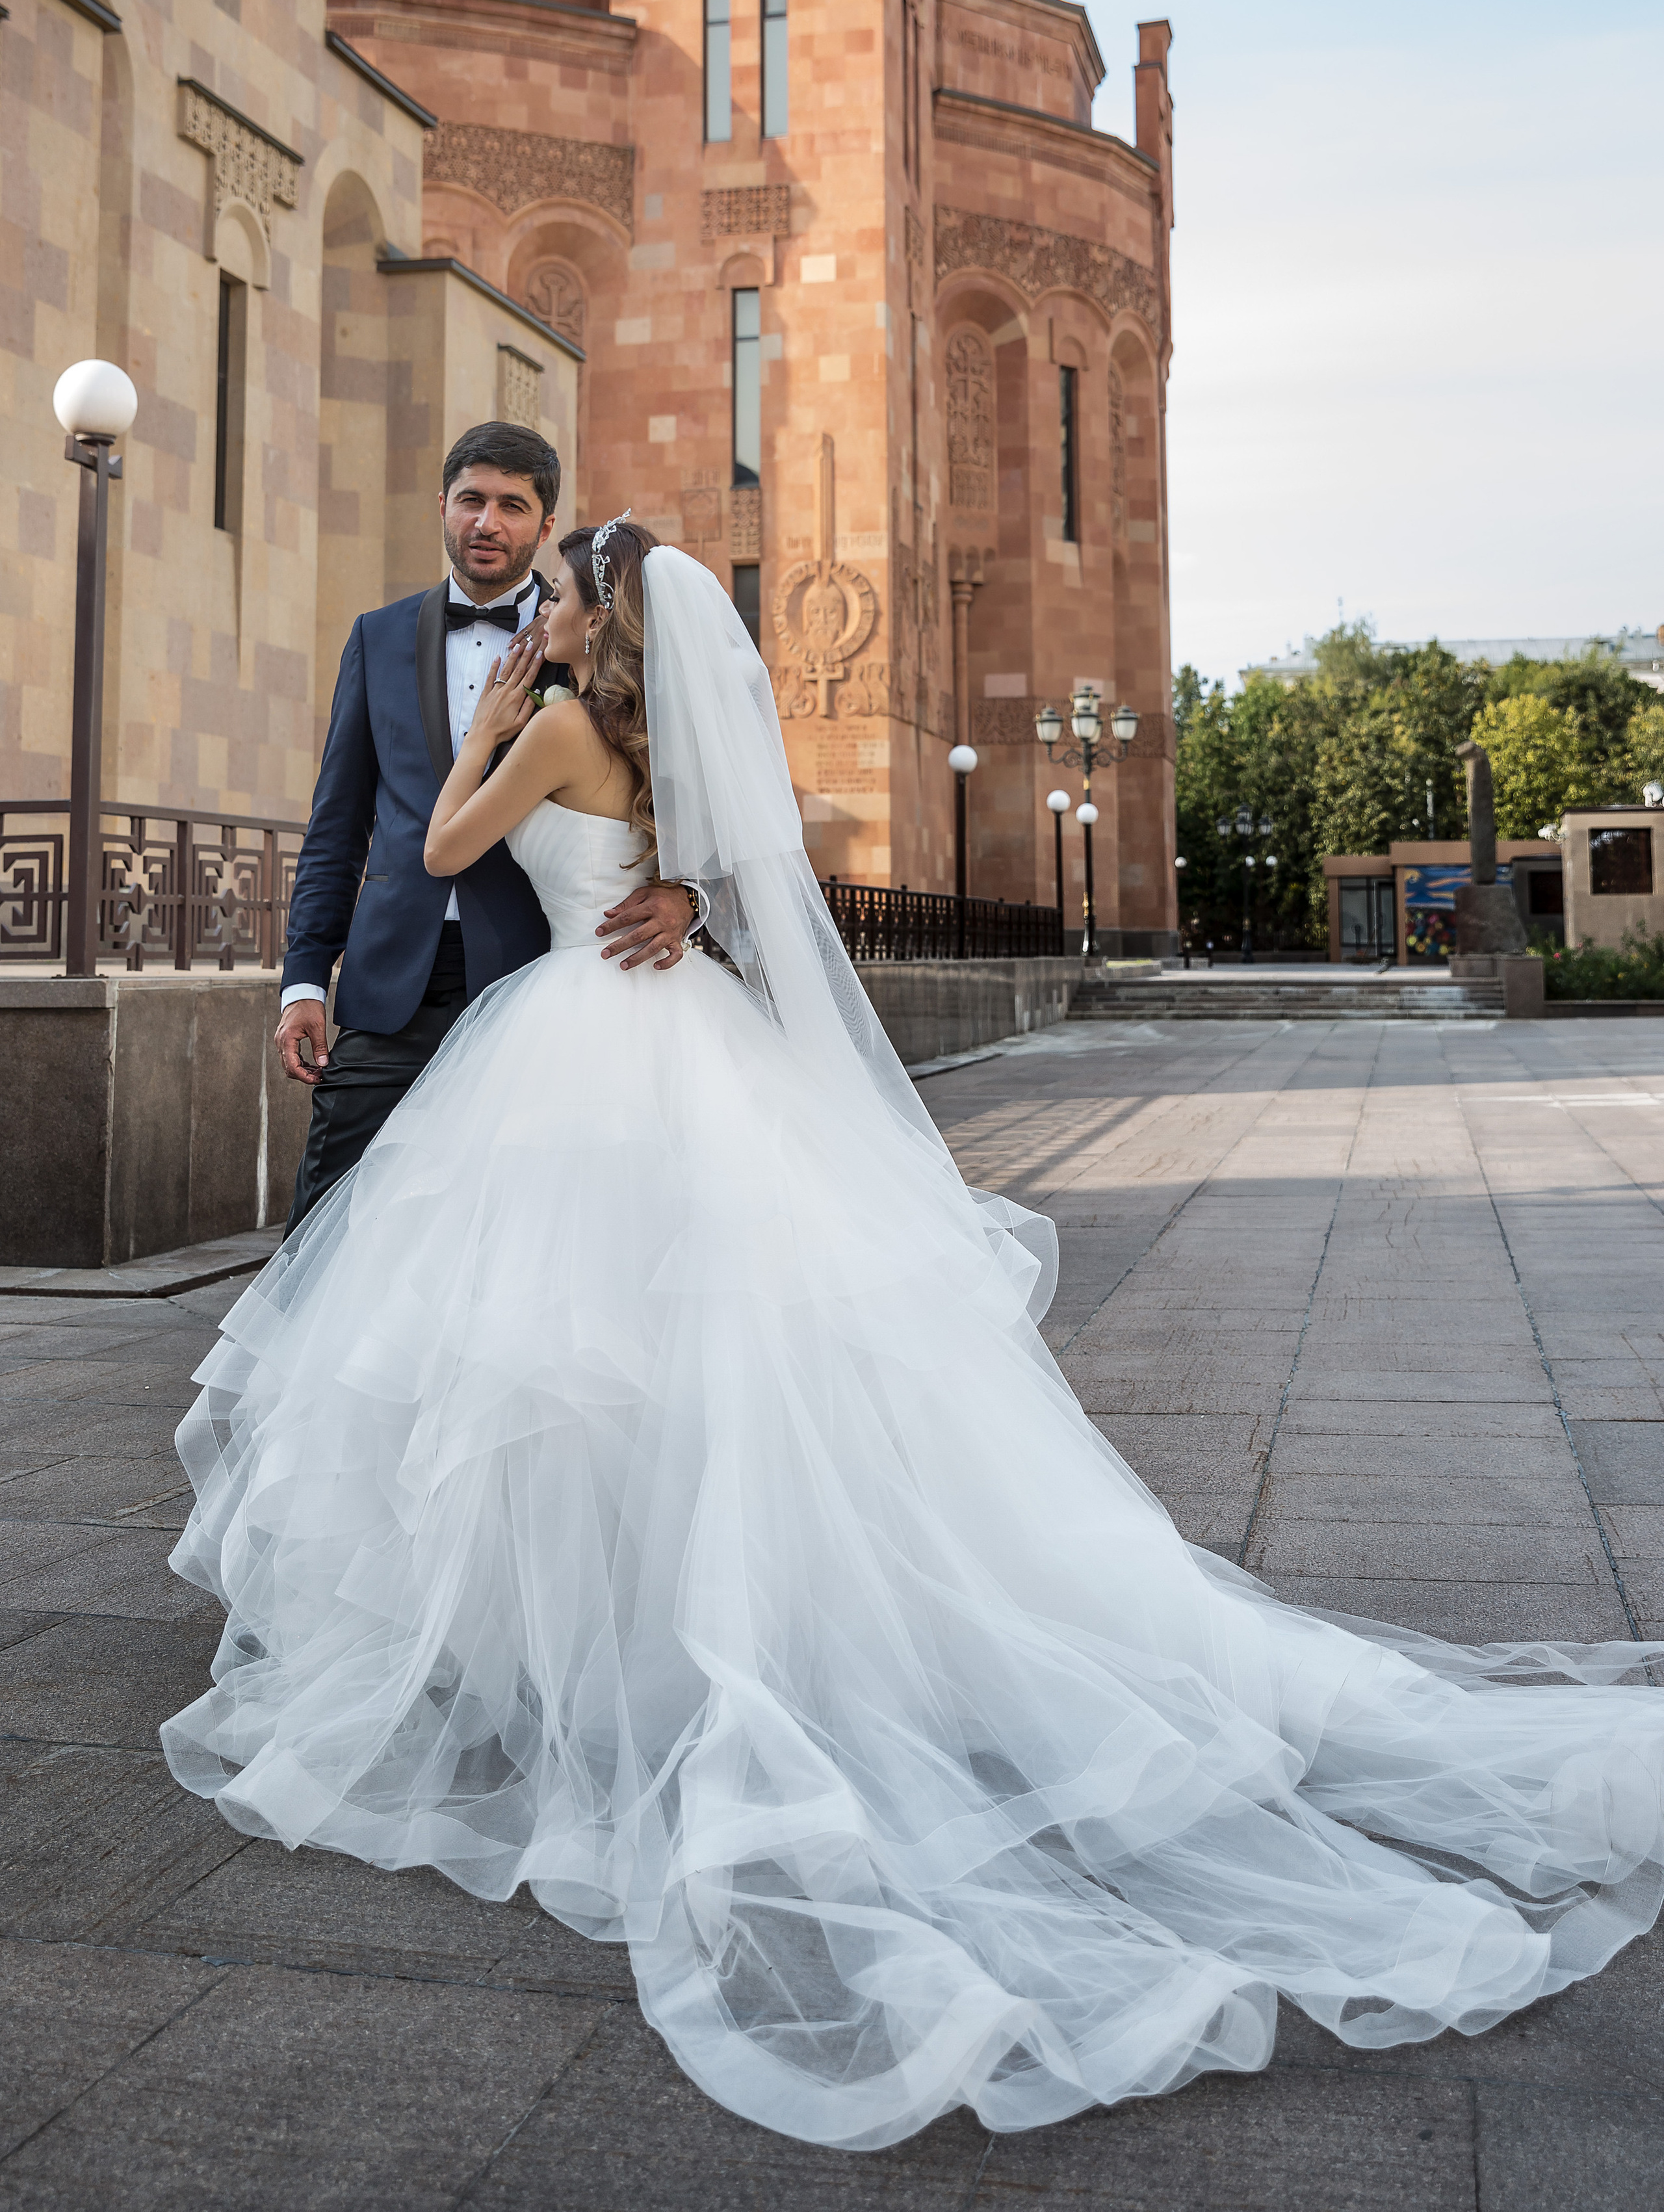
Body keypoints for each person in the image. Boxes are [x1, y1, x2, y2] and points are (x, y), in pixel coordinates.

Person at [163, 522, 1664, 2154]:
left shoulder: (559, 722)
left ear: (597, 617)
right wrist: (673, 884)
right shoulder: (659, 744)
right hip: (685, 1039)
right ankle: (654, 1625)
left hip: (578, 1054)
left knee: (569, 1351)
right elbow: (743, 873)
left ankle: (607, 1648)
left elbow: (451, 850)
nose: (544, 611)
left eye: (566, 595)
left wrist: (487, 720)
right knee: (694, 1357)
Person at [275, 425, 698, 1231]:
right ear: (442, 507)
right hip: (393, 980)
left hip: (537, 979)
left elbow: (684, 788)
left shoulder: (596, 630)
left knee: (509, 1237)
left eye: (512, 506)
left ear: (545, 526)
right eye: (471, 500)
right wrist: (304, 979)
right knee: (326, 1217)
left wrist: (688, 896)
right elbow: (338, 825)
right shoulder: (378, 636)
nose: (487, 522)